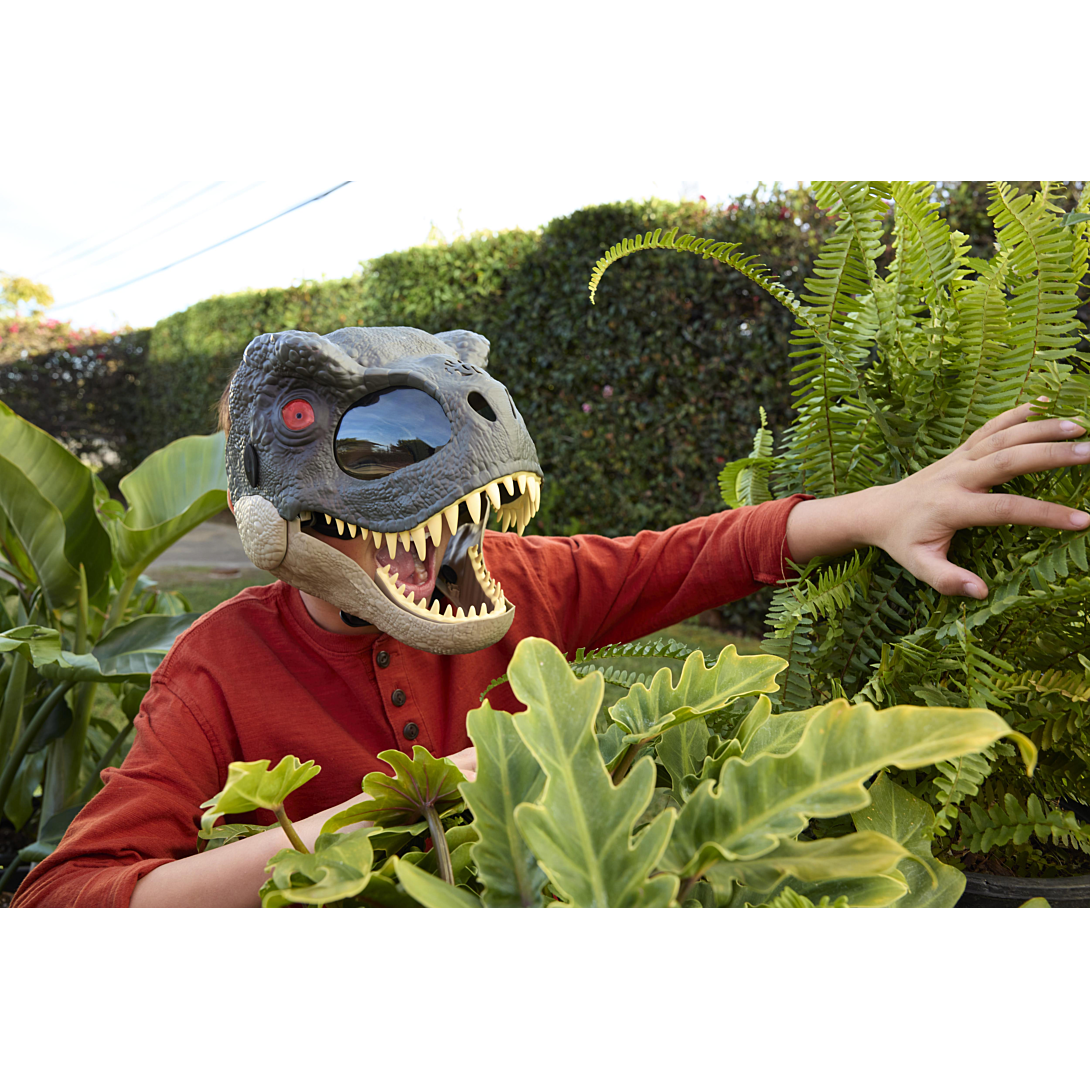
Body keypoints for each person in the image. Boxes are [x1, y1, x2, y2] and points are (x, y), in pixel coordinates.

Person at [9, 324, 1090, 912]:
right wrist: (385, 815)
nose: (438, 535)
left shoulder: (512, 574)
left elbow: (684, 558)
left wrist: (881, 507)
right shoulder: (216, 666)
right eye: (377, 452)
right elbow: (67, 894)